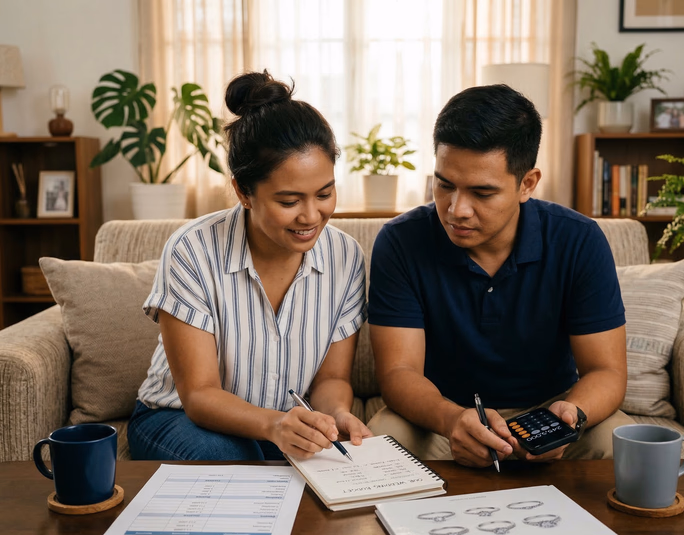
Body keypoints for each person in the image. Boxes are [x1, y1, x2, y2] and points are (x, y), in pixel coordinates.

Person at [367, 84, 633, 468]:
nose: (456, 209)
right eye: (445, 185)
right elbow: (398, 373)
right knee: (378, 445)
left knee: (619, 445)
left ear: (527, 183)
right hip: (441, 417)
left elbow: (607, 371)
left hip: (548, 413)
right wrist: (453, 419)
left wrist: (566, 419)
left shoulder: (579, 239)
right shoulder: (401, 241)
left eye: (482, 192)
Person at [128, 70, 371, 461]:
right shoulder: (192, 251)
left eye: (325, 193)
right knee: (238, 463)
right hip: (175, 420)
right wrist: (274, 426)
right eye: (289, 201)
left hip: (278, 427)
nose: (311, 215)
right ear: (244, 191)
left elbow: (331, 379)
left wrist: (337, 414)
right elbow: (199, 394)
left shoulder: (346, 256)